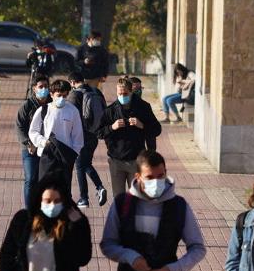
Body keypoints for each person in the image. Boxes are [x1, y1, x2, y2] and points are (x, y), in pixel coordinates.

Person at [97, 76, 162, 198]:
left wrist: (141, 125)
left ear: (131, 92)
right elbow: (99, 132)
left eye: (125, 93)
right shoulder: (110, 111)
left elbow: (156, 129)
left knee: (137, 196)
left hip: (136, 159)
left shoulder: (143, 107)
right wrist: (112, 127)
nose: (122, 96)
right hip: (116, 160)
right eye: (119, 93)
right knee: (119, 197)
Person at [29, 79, 84, 197]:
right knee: (45, 191)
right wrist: (43, 142)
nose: (62, 99)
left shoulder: (73, 111)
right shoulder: (43, 110)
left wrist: (73, 154)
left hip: (65, 157)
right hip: (47, 155)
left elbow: (78, 136)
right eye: (59, 95)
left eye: (65, 96)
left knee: (63, 193)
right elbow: (33, 131)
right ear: (51, 94)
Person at [68, 71, 108, 208]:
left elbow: (70, 117)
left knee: (79, 166)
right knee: (86, 164)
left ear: (72, 82)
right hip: (94, 134)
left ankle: (84, 198)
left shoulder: (75, 94)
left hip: (81, 135)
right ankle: (99, 188)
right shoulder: (96, 91)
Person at [16, 75, 50, 206]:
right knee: (31, 179)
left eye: (46, 87)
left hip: (47, 148)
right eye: (41, 87)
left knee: (45, 180)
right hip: (30, 149)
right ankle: (29, 210)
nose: (44, 89)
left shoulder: (52, 104)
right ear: (34, 89)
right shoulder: (27, 106)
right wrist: (27, 143)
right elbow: (19, 126)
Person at [128, 77, 158, 152]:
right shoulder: (118, 107)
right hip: (125, 152)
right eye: (135, 89)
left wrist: (143, 126)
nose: (138, 91)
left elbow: (155, 129)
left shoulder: (145, 106)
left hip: (140, 151)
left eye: (140, 88)